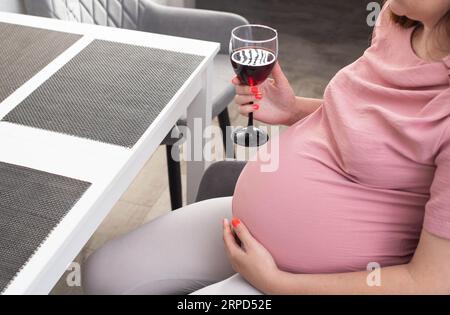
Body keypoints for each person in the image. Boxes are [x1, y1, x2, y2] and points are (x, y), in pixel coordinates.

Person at [83, 0, 450, 294]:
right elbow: (371, 128)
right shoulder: (397, 19)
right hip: (250, 232)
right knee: (105, 274)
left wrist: (277, 283)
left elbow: (431, 284)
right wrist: (293, 110)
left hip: (322, 278)